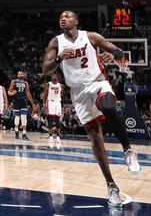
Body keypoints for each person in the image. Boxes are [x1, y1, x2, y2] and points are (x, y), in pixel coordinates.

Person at [43, 10, 141, 208]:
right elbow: (46, 69)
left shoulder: (91, 37)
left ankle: (128, 151)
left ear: (76, 21)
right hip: (78, 93)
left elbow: (119, 53)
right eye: (61, 16)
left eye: (68, 16)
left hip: (98, 83)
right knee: (95, 138)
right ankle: (111, 185)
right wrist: (60, 58)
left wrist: (111, 55)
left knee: (108, 106)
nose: (63, 18)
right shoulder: (56, 43)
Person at [7, 70, 36, 140]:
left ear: (23, 75)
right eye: (19, 74)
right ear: (17, 75)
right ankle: (16, 132)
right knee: (17, 118)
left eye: (21, 74)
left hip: (24, 101)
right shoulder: (14, 82)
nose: (20, 75)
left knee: (24, 118)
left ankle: (24, 133)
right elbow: (8, 92)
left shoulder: (25, 83)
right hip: (16, 101)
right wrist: (12, 93)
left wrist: (32, 103)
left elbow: (28, 94)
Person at [44, 73, 63, 146]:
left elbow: (61, 95)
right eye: (53, 75)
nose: (54, 76)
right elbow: (45, 95)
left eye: (55, 75)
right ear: (51, 77)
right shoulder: (48, 84)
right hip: (50, 102)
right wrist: (44, 105)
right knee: (50, 119)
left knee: (58, 120)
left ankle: (58, 135)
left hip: (58, 102)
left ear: (57, 77)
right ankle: (50, 135)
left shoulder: (60, 85)